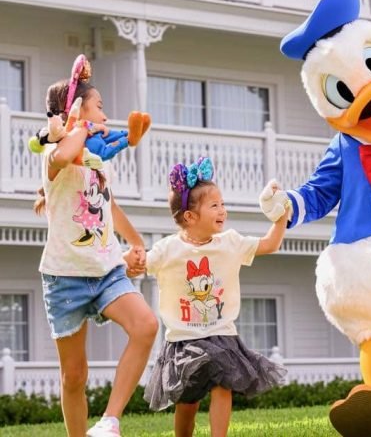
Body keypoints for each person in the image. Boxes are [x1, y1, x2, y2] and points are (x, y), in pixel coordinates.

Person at [34, 58, 159, 437]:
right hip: (64, 277)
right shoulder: (52, 157)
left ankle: (109, 420)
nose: (106, 113)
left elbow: (109, 205)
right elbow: (63, 155)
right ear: (76, 109)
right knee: (74, 376)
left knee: (146, 325)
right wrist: (76, 126)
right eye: (99, 106)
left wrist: (136, 243)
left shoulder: (101, 162)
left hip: (106, 270)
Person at [137, 157, 288, 437]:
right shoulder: (167, 249)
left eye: (223, 204)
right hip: (183, 339)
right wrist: (126, 259)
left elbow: (271, 243)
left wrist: (281, 216)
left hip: (221, 334)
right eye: (214, 205)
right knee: (187, 403)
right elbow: (140, 263)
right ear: (190, 217)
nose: (223, 211)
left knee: (223, 384)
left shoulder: (230, 242)